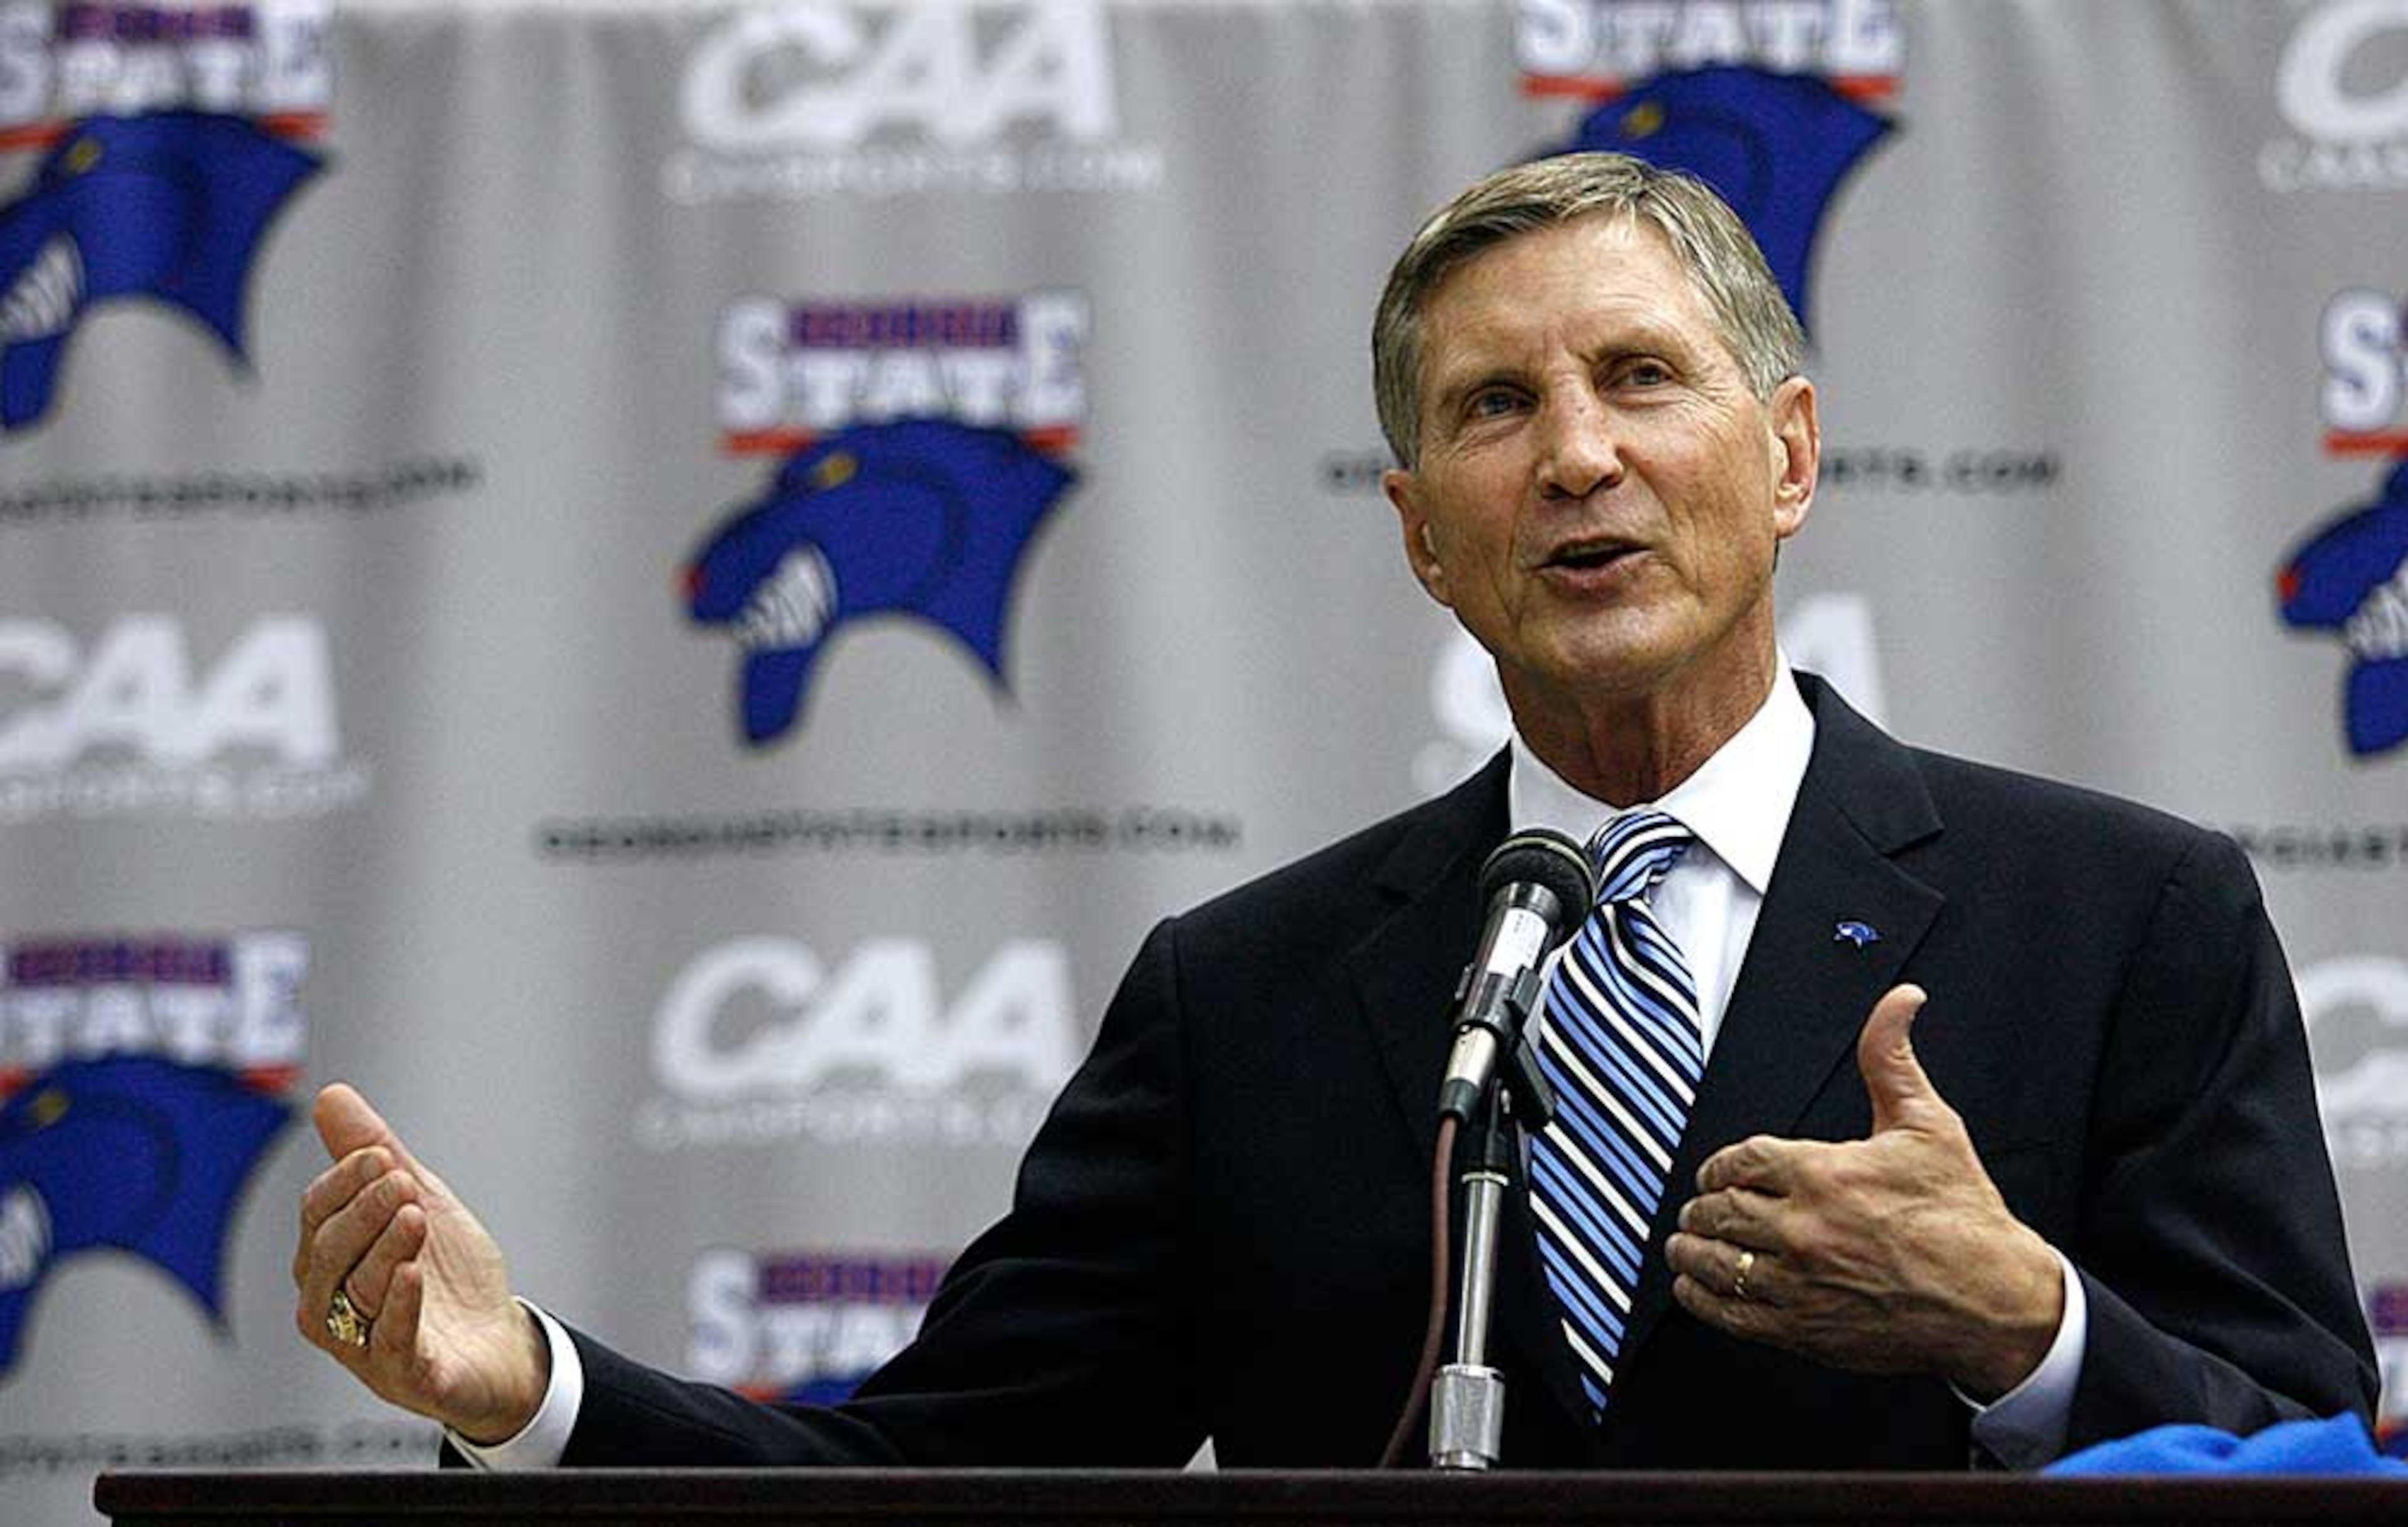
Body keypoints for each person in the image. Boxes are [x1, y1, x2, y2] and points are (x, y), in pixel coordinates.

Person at [293, 152, 2378, 1470]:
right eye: (1495, 408)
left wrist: (2029, 1331)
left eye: (1642, 379)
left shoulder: (2123, 917)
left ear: (1793, 453)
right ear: (1418, 535)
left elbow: (2308, 1453)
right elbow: (941, 1476)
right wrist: (532, 1388)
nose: (1576, 457)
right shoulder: (1253, 993)